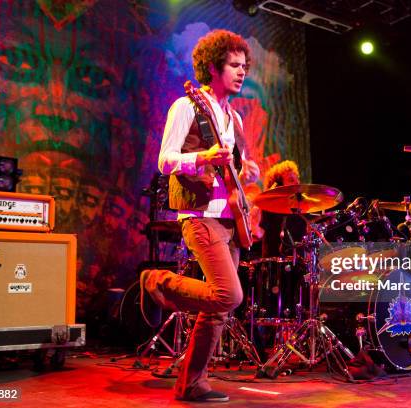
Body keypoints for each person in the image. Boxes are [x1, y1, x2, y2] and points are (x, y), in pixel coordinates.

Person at [142, 29, 259, 403]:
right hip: (199, 214)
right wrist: (201, 159)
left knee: (219, 310)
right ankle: (159, 280)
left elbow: (232, 172)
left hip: (230, 219)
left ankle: (191, 384)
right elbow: (165, 161)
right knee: (229, 294)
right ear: (213, 66)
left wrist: (248, 170)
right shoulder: (186, 106)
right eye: (234, 65)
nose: (242, 73)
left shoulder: (234, 121)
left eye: (244, 66)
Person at [259, 160, 304, 257]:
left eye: (297, 179)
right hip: (274, 261)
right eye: (291, 180)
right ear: (279, 186)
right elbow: (258, 234)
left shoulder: (301, 208)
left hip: (298, 260)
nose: (297, 183)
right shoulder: (269, 208)